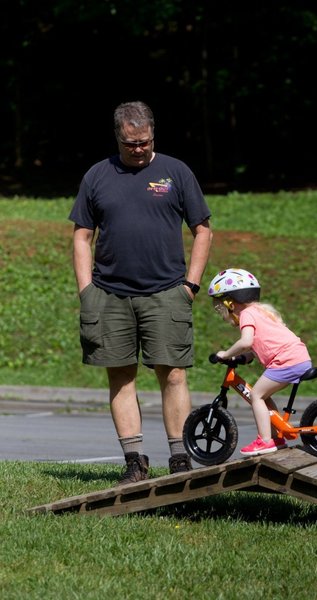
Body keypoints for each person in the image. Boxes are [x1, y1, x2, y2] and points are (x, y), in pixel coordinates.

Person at [69, 101, 212, 484]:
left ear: (153, 135)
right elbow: (82, 236)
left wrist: (190, 285)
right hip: (109, 294)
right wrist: (86, 291)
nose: (139, 149)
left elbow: (203, 229)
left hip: (167, 292)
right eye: (131, 143)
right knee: (121, 376)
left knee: (174, 374)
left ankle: (180, 458)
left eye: (145, 142)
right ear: (118, 136)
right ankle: (134, 461)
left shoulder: (176, 172)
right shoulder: (97, 176)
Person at [208, 268, 312, 456]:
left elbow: (246, 341)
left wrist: (225, 354)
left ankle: (264, 441)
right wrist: (246, 357)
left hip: (286, 361)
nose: (220, 312)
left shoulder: (247, 314)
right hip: (299, 358)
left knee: (256, 395)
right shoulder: (262, 311)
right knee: (264, 396)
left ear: (229, 302)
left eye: (219, 306)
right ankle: (276, 437)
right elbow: (264, 343)